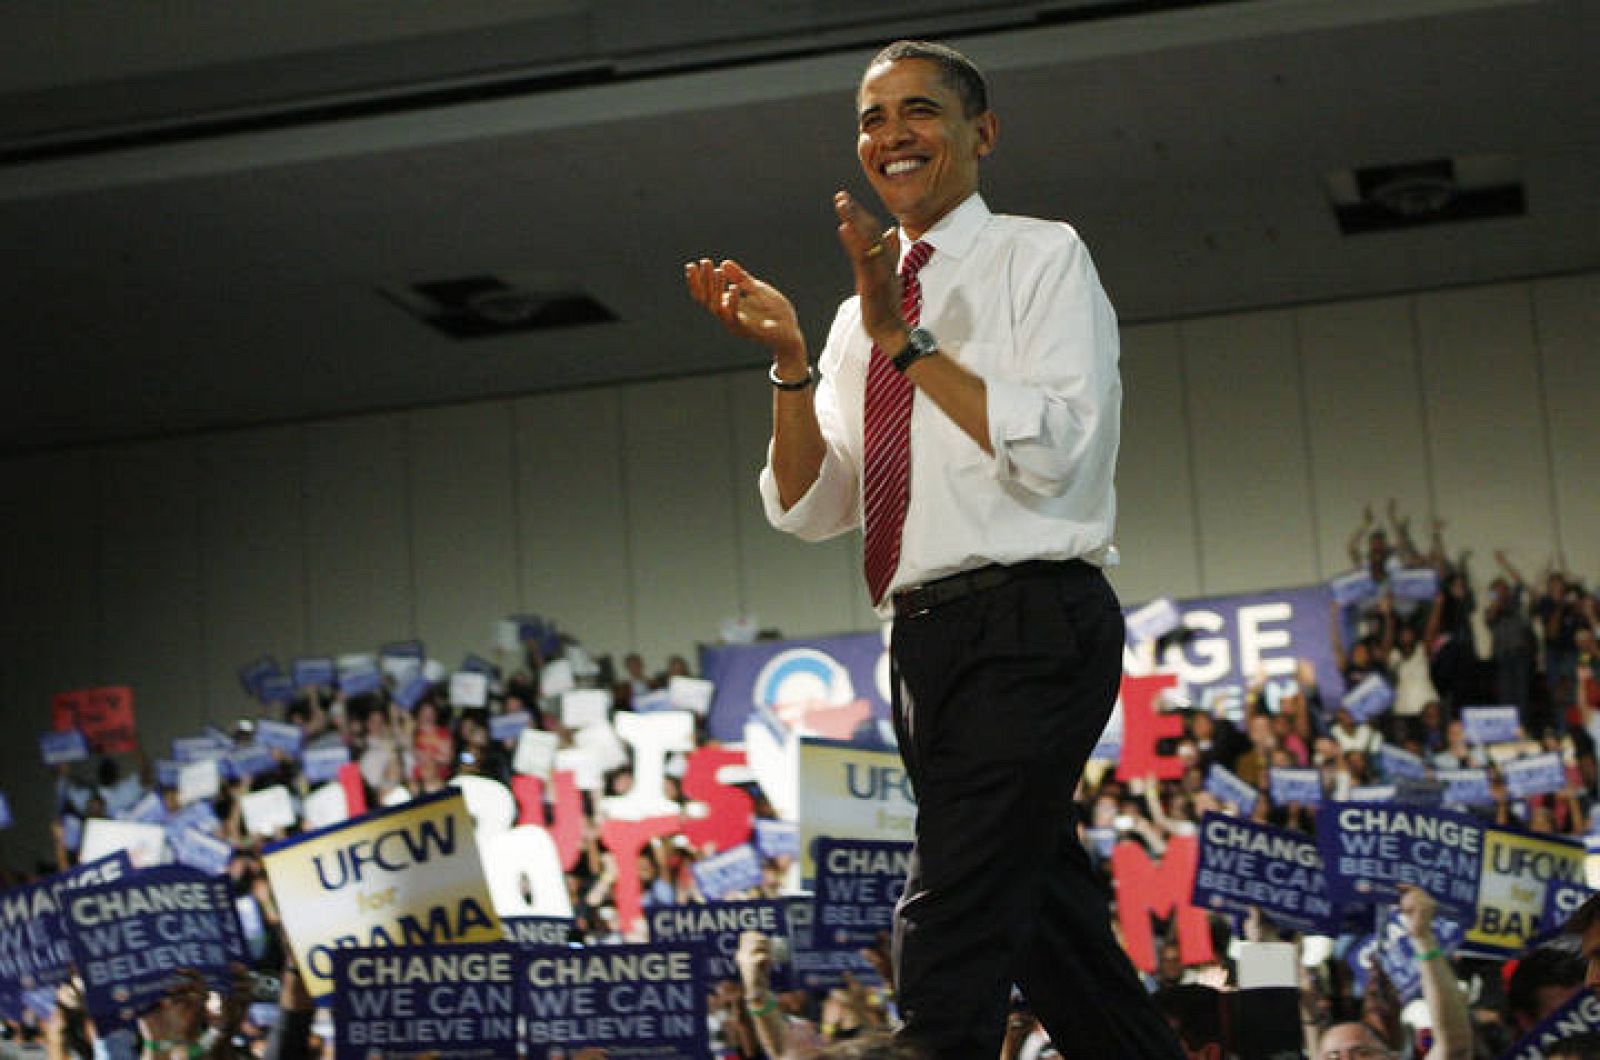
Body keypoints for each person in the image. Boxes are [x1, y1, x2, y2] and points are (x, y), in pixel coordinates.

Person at [686, 38, 1181, 1060]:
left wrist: (904, 337)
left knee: (952, 890)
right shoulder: (850, 319)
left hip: (1032, 617)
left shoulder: (1039, 257)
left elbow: (1056, 448)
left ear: (979, 133)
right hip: (920, 642)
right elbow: (809, 502)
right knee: (1046, 920)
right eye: (871, 118)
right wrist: (790, 363)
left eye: (918, 111)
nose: (890, 135)